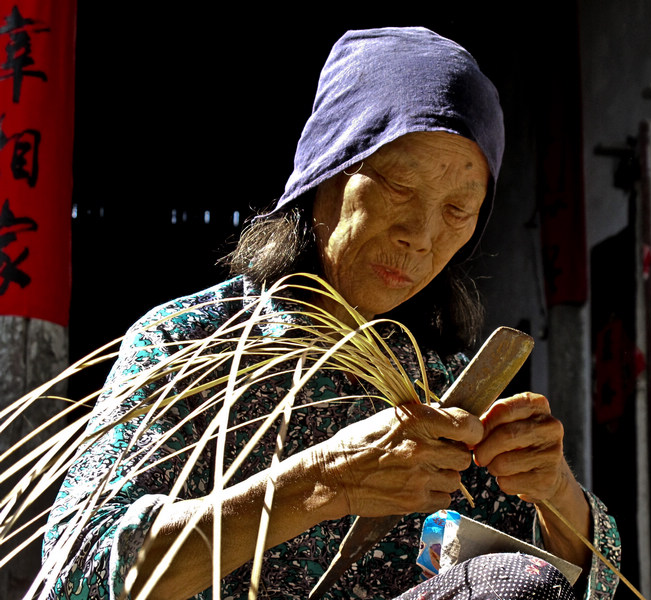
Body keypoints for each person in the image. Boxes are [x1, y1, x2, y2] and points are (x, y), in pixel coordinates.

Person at [44, 27, 621, 600]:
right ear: (326, 168)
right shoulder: (187, 348)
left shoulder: (448, 392)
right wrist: (323, 480)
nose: (421, 237)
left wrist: (555, 492)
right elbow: (76, 576)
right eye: (399, 186)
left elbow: (574, 583)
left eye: (456, 209)